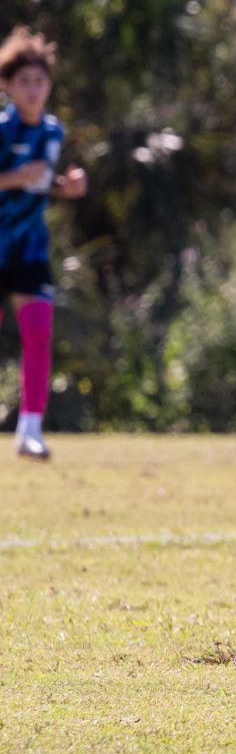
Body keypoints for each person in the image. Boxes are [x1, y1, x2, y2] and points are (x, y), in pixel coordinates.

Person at [0, 28, 87, 460]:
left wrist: (64, 186)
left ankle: (30, 429)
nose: (33, 90)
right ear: (7, 86)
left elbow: (39, 181)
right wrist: (16, 178)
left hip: (30, 246)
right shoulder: (1, 129)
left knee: (38, 333)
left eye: (39, 81)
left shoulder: (54, 132)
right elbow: (18, 178)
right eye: (23, 82)